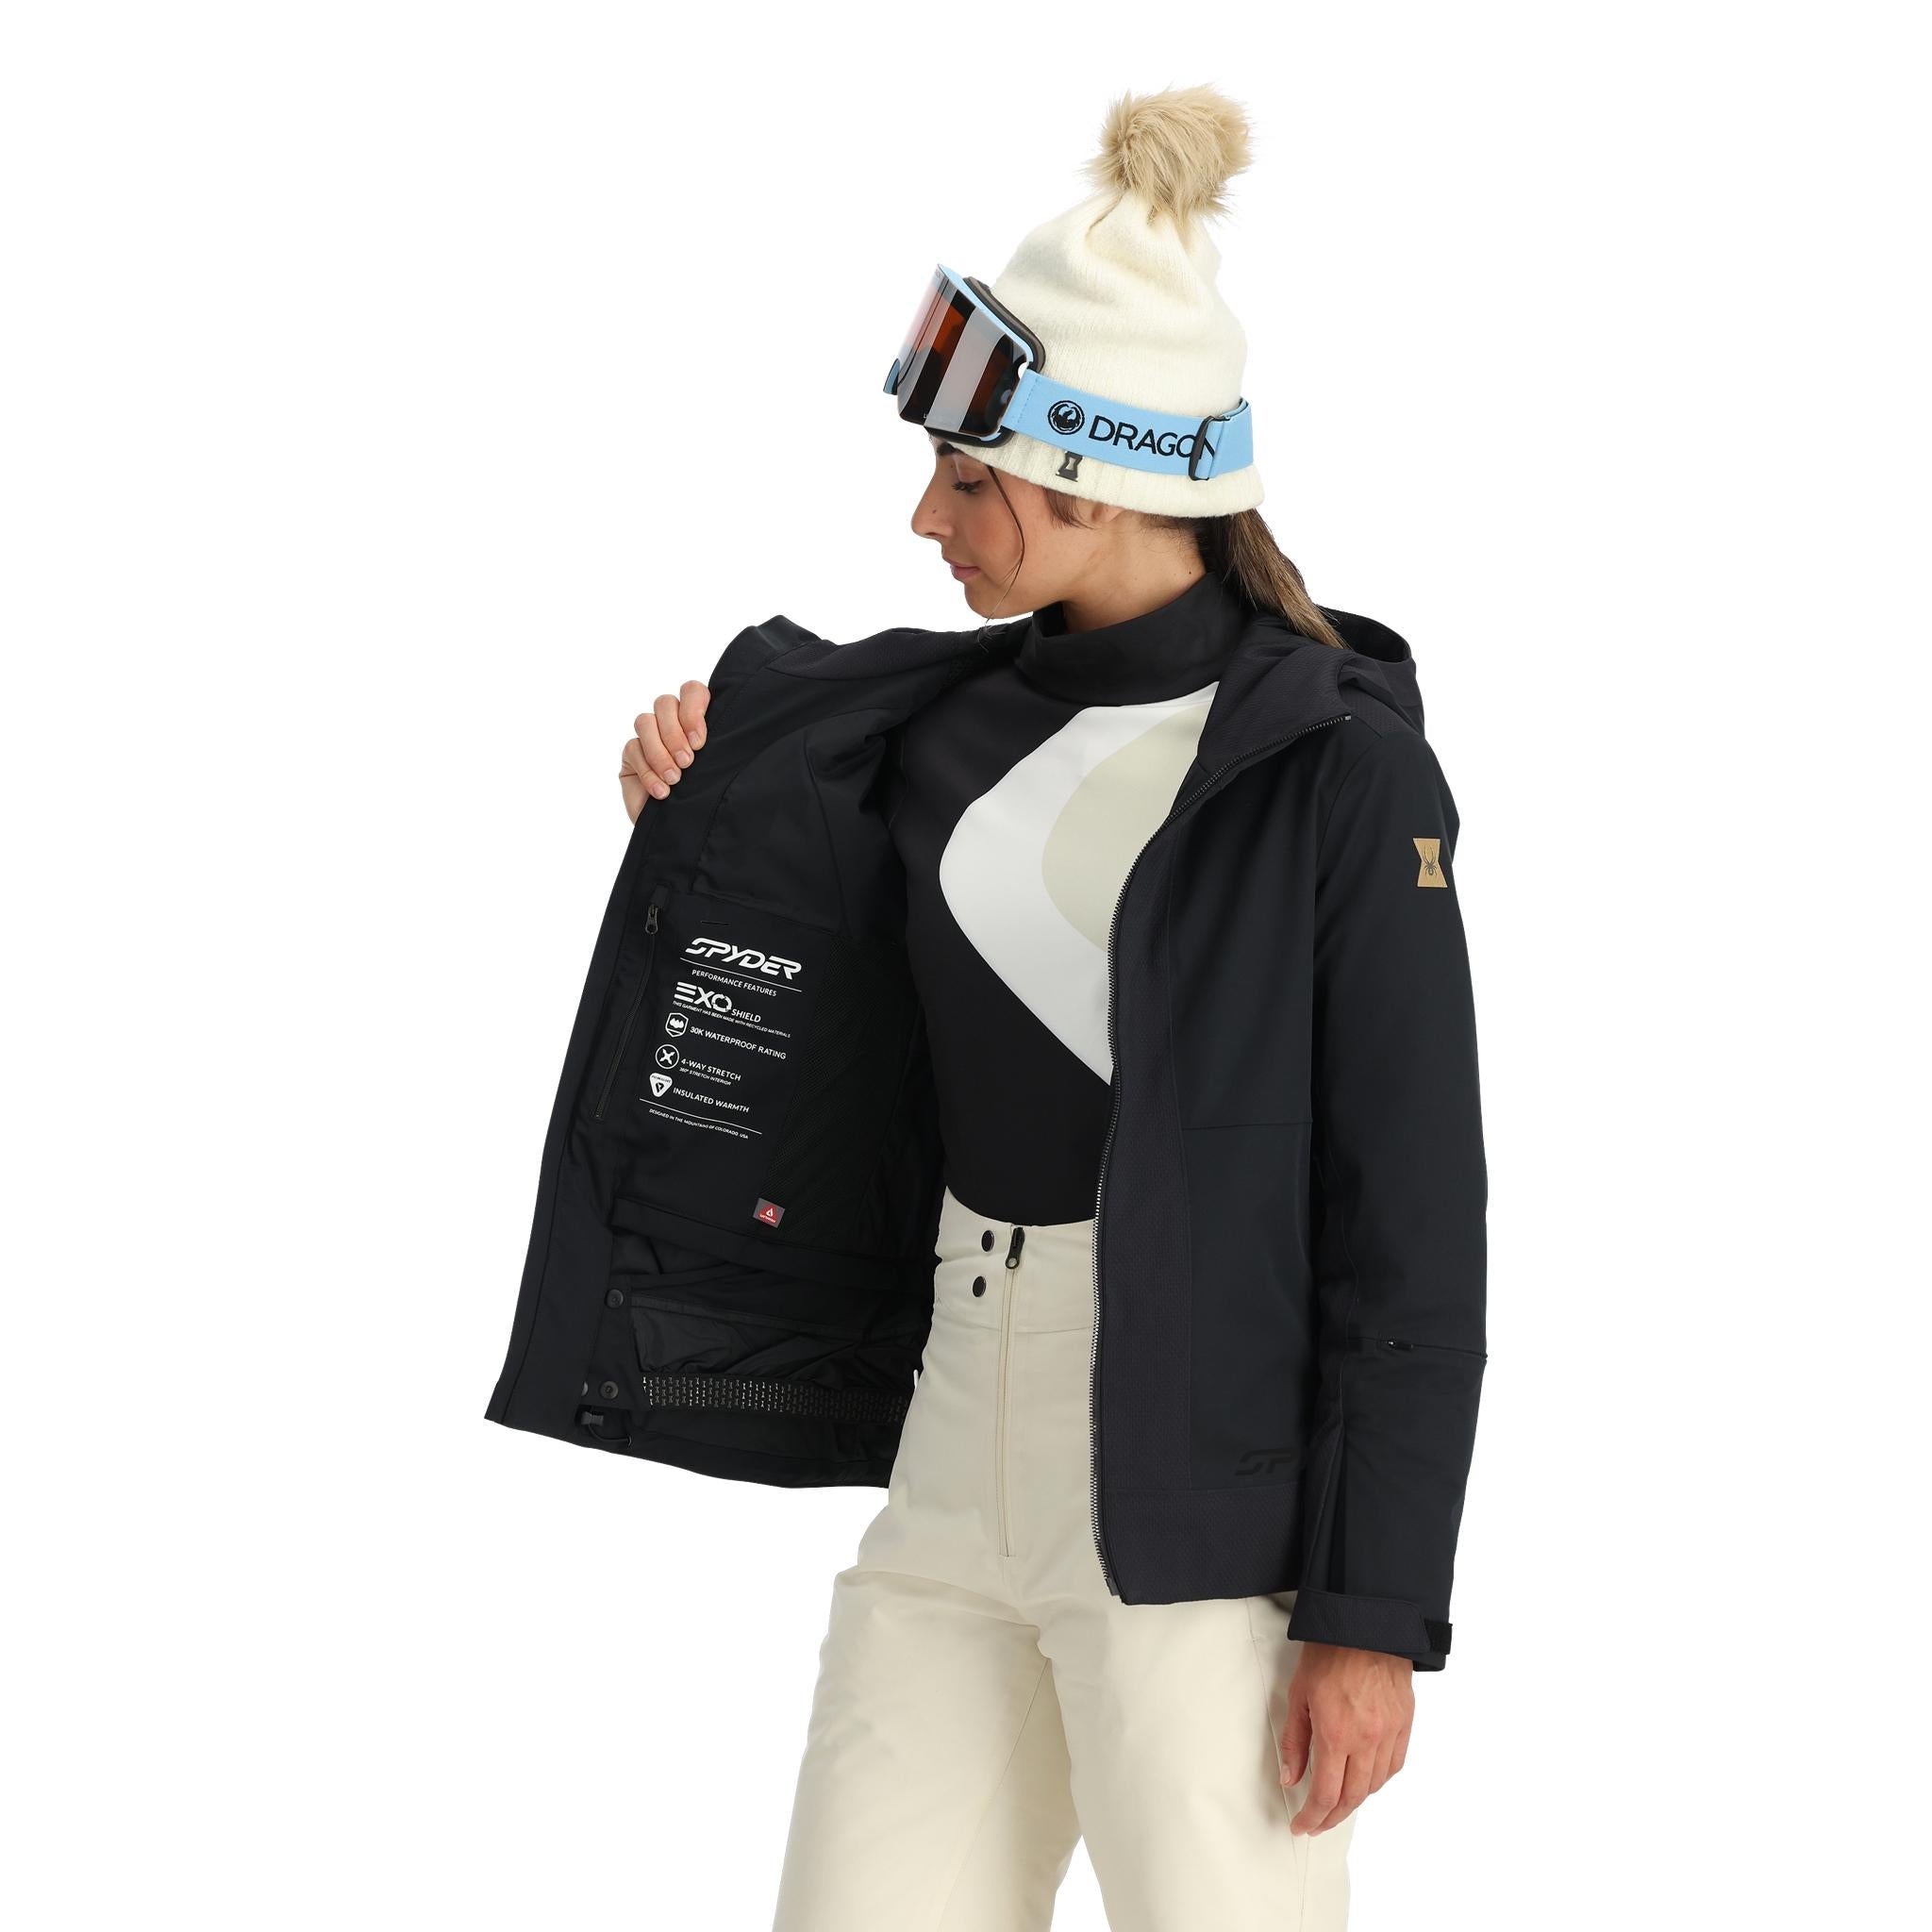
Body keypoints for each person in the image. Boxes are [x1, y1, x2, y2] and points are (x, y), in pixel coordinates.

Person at [607, 85, 1488, 1932]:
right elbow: (822, 999)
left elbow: (1409, 1220)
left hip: (1205, 1519)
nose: (923, 514)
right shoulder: (931, 727)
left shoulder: (1335, 775)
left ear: (1098, 475)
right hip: (952, 1451)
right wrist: (690, 793)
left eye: (968, 479)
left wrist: (1370, 1610)